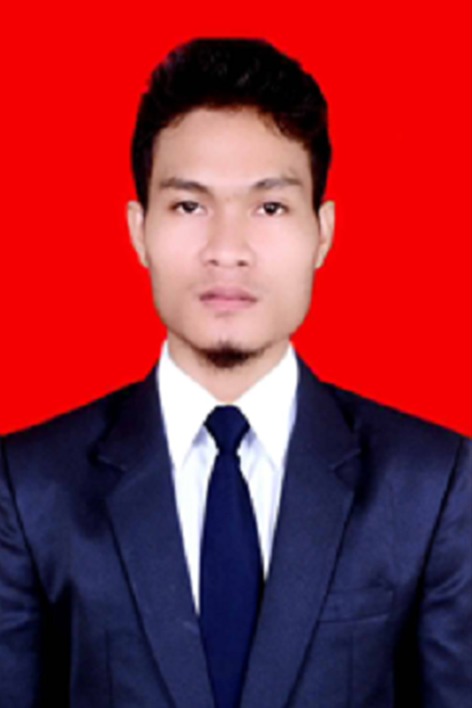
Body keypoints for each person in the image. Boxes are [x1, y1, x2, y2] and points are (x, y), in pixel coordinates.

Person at [0, 38, 470, 708]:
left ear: (323, 232)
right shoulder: (30, 487)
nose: (227, 250)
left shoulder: (431, 485)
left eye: (269, 207)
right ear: (139, 229)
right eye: (189, 206)